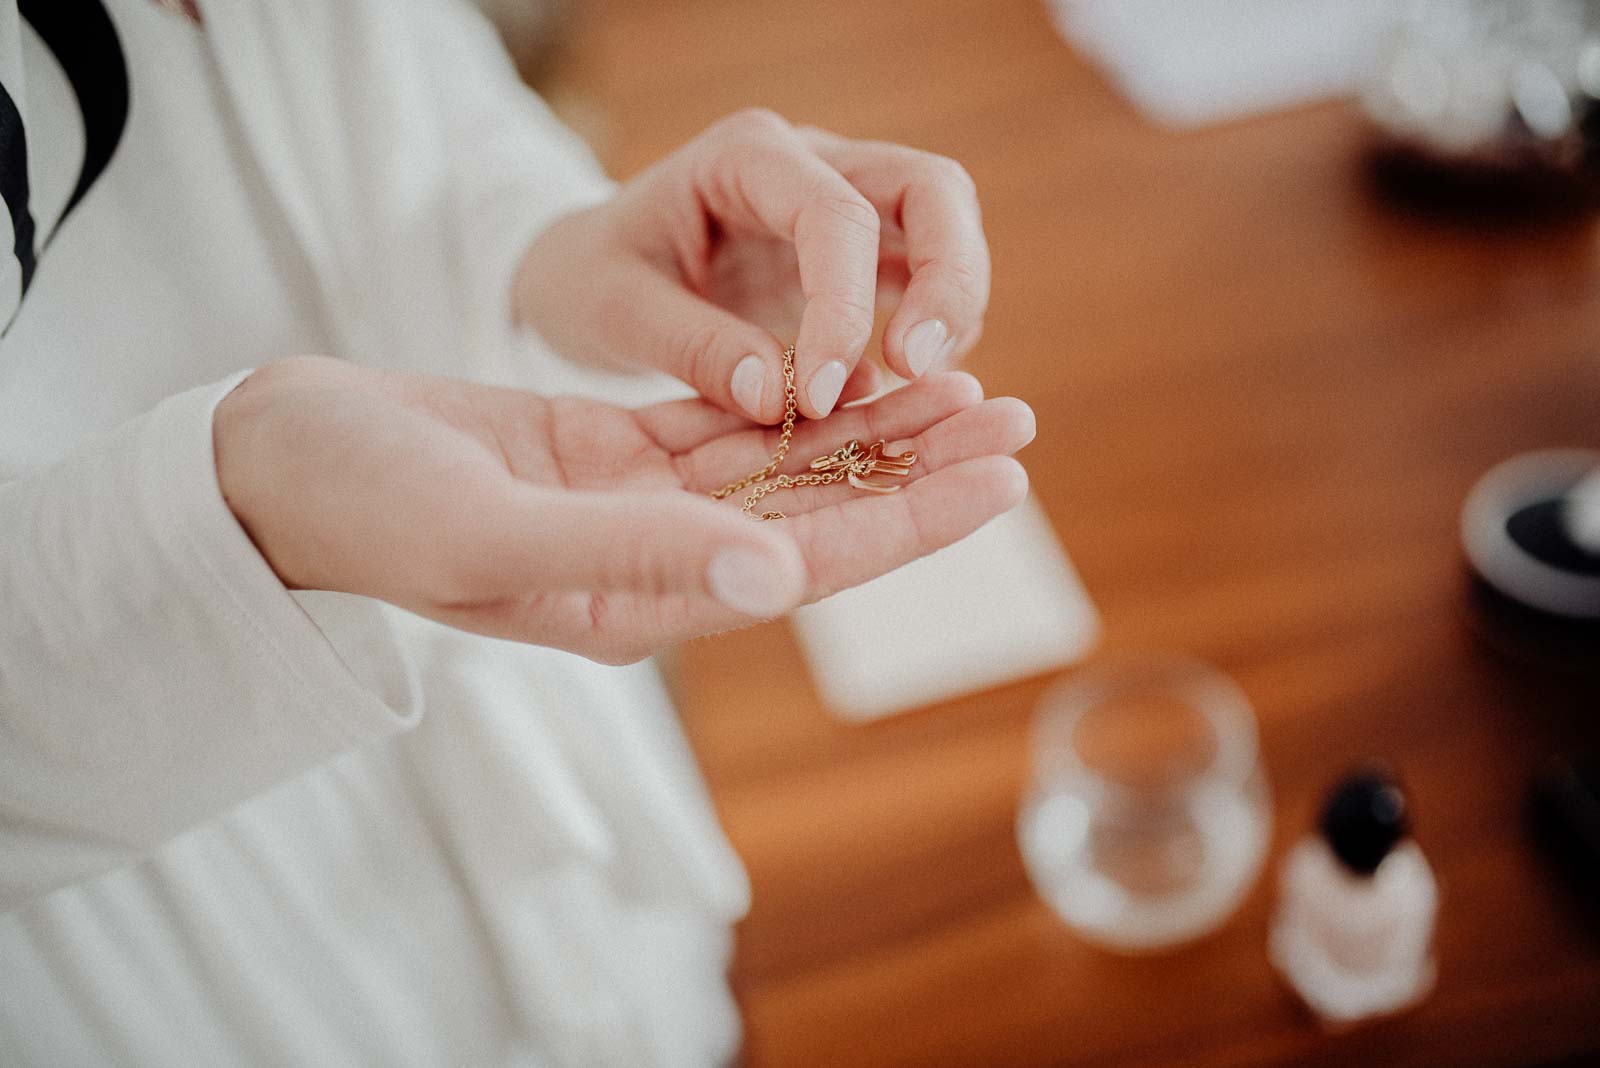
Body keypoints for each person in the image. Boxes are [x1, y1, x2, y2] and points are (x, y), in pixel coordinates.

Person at [0, 0, 1034, 1064]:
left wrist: (557, 252)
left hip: (564, 791)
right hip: (201, 919)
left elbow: (401, 103)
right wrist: (241, 520)